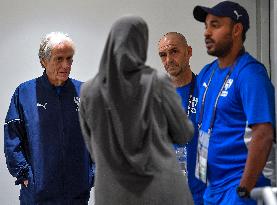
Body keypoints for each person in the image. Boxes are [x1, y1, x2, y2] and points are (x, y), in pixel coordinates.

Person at [79, 16, 194, 205]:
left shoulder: (89, 91)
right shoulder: (156, 82)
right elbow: (183, 134)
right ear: (141, 44)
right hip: (162, 191)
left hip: (112, 193)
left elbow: (93, 148)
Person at [193, 1, 275, 204]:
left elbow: (263, 135)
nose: (206, 32)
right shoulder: (206, 73)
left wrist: (243, 190)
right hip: (212, 188)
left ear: (237, 29)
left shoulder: (250, 74)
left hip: (238, 189)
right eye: (206, 26)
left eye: (215, 25)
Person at [4, 32, 94, 204]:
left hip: (77, 193)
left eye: (70, 59)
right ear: (43, 61)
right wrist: (25, 175)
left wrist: (93, 173)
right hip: (38, 193)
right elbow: (12, 139)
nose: (66, 65)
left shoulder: (85, 92)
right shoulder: (24, 93)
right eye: (59, 59)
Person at [158, 32, 206, 205]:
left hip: (202, 194)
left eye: (174, 51)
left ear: (189, 51)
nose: (168, 59)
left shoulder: (206, 91)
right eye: (163, 55)